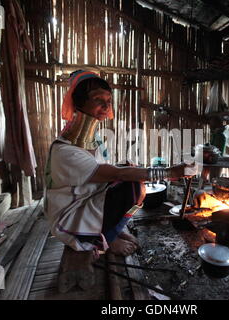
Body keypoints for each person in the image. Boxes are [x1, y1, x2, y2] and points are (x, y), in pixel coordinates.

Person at [44, 70, 193, 258]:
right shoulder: (65, 151)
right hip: (70, 217)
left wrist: (130, 167)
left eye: (108, 100)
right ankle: (108, 238)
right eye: (98, 99)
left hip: (86, 200)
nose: (106, 105)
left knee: (129, 167)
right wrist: (171, 172)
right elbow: (116, 174)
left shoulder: (92, 141)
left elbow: (109, 171)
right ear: (79, 102)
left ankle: (110, 229)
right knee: (132, 187)